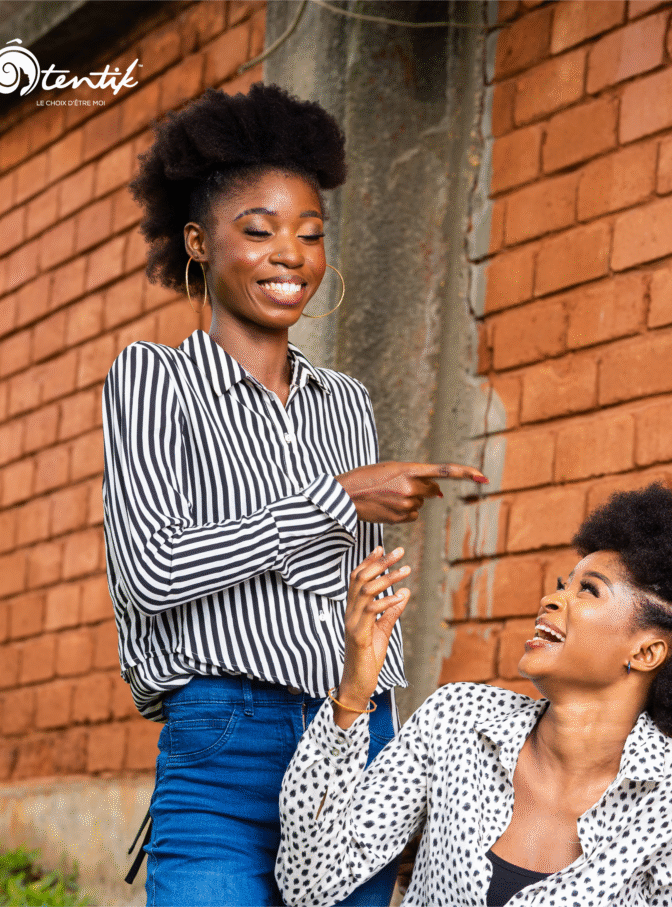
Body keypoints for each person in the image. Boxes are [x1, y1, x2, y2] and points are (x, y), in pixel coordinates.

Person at [102, 82, 486, 907]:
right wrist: (334, 498)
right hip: (223, 739)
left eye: (310, 235)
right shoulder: (153, 377)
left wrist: (389, 743)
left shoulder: (344, 402)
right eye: (261, 230)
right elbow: (151, 571)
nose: (291, 254)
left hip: (353, 735)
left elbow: (354, 594)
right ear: (200, 243)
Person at [276, 483, 672, 906]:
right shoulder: (459, 719)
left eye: (589, 590)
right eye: (563, 584)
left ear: (646, 653)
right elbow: (310, 881)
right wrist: (356, 683)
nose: (550, 599)